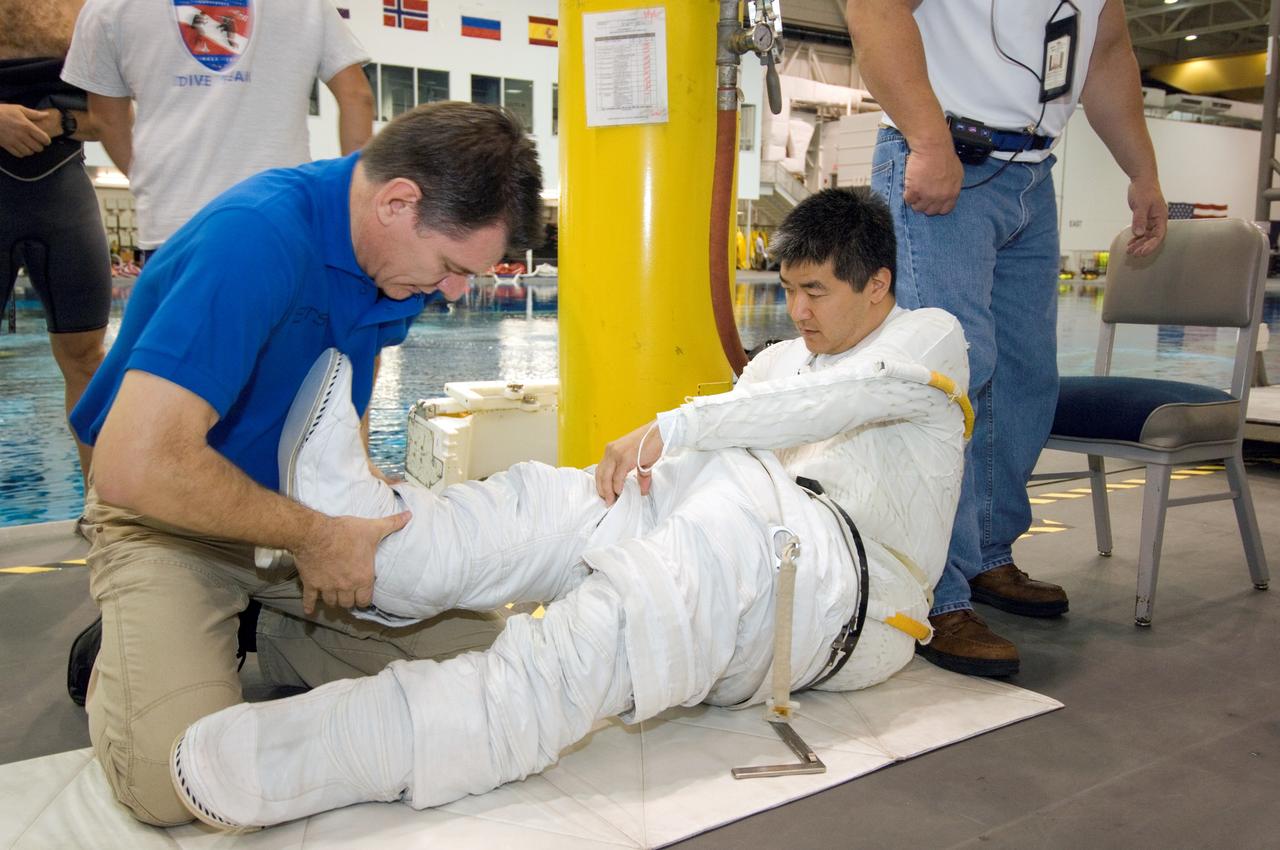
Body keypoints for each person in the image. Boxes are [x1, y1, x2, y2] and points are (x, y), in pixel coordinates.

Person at [167, 188, 973, 830]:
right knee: (573, 499)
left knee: (639, 597)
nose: (799, 311)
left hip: (850, 603)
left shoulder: (930, 339)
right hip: (756, 531)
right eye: (790, 290)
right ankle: (382, 542)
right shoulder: (784, 358)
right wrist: (652, 467)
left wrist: (675, 427)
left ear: (878, 287)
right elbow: (746, 434)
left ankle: (350, 745)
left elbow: (838, 406)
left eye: (817, 292)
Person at [68, 102, 544, 827]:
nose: (453, 292)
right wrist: (316, 537)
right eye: (451, 268)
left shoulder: (394, 269)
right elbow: (132, 467)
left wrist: (357, 493)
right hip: (170, 526)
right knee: (177, 785)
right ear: (398, 202)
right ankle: (133, 646)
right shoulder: (255, 241)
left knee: (503, 670)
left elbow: (341, 393)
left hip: (293, 526)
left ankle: (274, 631)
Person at [849, 0, 1168, 675]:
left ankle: (985, 553)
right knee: (943, 383)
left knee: (1022, 379)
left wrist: (1142, 171)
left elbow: (1106, 51)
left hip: (1030, 172)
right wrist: (929, 141)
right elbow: (873, 9)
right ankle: (929, 590)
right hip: (944, 156)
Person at [61, 0, 375, 258]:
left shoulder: (109, 7)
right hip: (284, 221)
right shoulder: (307, 5)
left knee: (182, 335)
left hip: (174, 224)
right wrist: (352, 200)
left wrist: (151, 180)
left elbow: (106, 120)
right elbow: (357, 97)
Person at [0, 0, 110, 496]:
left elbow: (114, 111)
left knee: (87, 357)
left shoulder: (89, 7)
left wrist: (63, 124)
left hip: (61, 187)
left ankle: (104, 509)